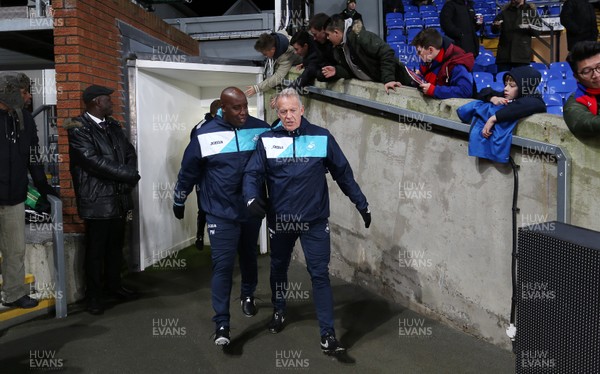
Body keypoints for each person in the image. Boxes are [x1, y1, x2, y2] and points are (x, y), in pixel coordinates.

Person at [243, 88, 371, 355]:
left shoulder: (321, 137)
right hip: (282, 221)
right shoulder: (266, 140)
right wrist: (251, 199)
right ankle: (279, 310)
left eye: (293, 110)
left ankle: (328, 335)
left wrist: (361, 202)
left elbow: (343, 173)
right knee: (278, 268)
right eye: (283, 111)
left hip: (314, 221)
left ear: (302, 110)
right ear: (277, 113)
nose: (288, 116)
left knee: (319, 274)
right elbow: (252, 174)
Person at [173, 87, 270, 346]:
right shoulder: (204, 135)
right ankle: (222, 323)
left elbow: (273, 166)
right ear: (222, 109)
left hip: (250, 209)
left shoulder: (261, 128)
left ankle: (248, 295)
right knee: (223, 265)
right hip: (220, 211)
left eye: (245, 106)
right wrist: (179, 198)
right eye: (236, 108)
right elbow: (188, 172)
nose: (243, 113)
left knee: (249, 254)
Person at [64, 85, 141, 315]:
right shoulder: (78, 128)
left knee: (115, 246)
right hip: (97, 199)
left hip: (118, 197)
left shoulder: (113, 125)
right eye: (108, 99)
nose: (112, 103)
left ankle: (114, 286)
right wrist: (126, 174)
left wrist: (127, 177)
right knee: (96, 251)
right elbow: (92, 161)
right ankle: (94, 296)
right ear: (97, 102)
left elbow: (129, 152)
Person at [0, 73, 58, 309]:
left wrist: (44, 190)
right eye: (24, 92)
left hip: (14, 197)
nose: (29, 96)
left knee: (15, 249)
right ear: (10, 92)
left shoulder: (25, 118)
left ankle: (14, 293)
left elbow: (34, 158)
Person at [457, 66, 546, 162]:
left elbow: (524, 105)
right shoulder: (506, 95)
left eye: (512, 86)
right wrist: (493, 98)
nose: (506, 89)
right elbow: (483, 92)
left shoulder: (535, 99)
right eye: (506, 84)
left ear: (524, 87)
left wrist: (494, 118)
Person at [323, 15, 412, 93]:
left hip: (399, 83)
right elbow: (353, 70)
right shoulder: (340, 48)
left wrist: (389, 79)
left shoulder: (360, 36)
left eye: (328, 34)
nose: (327, 38)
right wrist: (337, 71)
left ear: (336, 32)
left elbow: (386, 52)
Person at [190, 99, 221, 250]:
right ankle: (200, 236)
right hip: (203, 176)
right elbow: (195, 154)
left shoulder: (225, 125)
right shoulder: (201, 127)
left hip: (219, 177)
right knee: (203, 207)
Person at [411, 27, 475, 99]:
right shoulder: (428, 58)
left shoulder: (456, 64)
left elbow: (465, 91)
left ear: (430, 50)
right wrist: (419, 77)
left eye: (419, 52)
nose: (417, 54)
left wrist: (435, 91)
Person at [245, 31, 302, 102]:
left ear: (273, 49)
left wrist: (257, 88)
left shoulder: (287, 57)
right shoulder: (278, 37)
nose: (264, 56)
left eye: (265, 54)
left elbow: (277, 78)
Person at [491, 0, 542, 72]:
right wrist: (496, 26)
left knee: (520, 81)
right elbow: (494, 30)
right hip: (504, 56)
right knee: (502, 80)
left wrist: (529, 27)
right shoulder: (504, 12)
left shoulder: (531, 12)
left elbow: (537, 32)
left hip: (522, 56)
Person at [563, 41, 600, 137]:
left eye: (599, 67)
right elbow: (583, 122)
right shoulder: (576, 101)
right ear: (576, 76)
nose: (596, 75)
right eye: (587, 71)